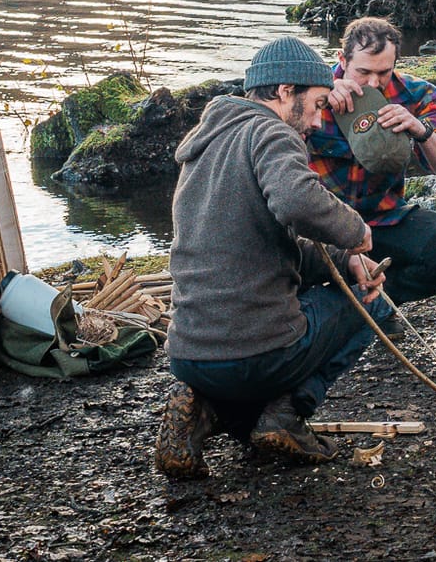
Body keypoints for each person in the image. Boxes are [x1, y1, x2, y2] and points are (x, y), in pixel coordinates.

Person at [158, 35, 391, 477]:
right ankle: (285, 416)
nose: (320, 122)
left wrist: (344, 263)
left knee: (255, 363)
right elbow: (297, 202)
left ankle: (204, 407)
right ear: (286, 92)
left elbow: (265, 247)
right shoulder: (271, 131)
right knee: (372, 303)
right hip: (253, 356)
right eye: (319, 104)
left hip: (187, 353)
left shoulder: (206, 143)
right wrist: (355, 233)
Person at [308, 16, 436, 306]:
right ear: (342, 59)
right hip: (321, 224)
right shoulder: (311, 90)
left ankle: (376, 305)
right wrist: (320, 95)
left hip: (381, 221)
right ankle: (329, 306)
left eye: (384, 72)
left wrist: (420, 130)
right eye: (363, 72)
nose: (374, 83)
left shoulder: (416, 94)